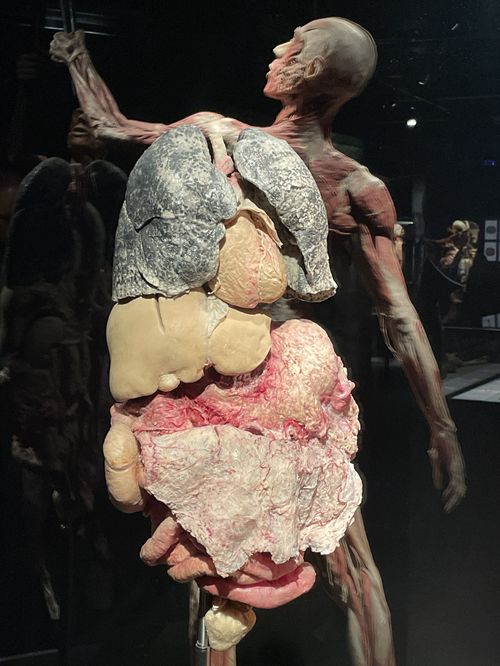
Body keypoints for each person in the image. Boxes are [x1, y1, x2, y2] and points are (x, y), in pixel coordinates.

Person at [50, 18, 466, 666]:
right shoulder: (329, 175)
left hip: (258, 393)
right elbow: (402, 320)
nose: (276, 51)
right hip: (258, 392)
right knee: (309, 574)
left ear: (310, 71)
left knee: (247, 571)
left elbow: (112, 125)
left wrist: (78, 59)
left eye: (293, 45)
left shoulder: (247, 147)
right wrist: (442, 428)